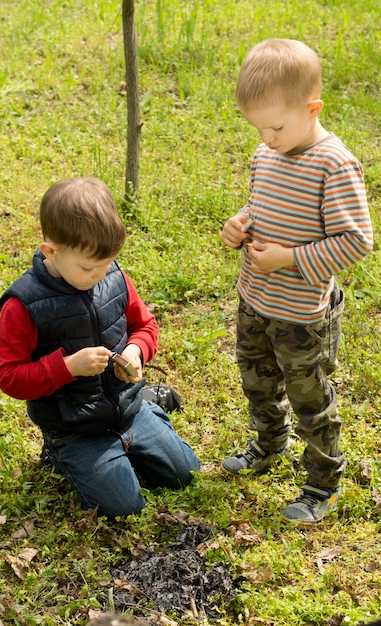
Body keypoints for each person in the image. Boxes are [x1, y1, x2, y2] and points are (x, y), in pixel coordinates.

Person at [220, 39, 373, 524]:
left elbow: (356, 241)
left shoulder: (334, 164)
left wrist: (290, 258)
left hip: (302, 313)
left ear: (313, 109)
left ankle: (321, 481)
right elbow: (262, 208)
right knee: (258, 381)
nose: (266, 137)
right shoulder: (267, 154)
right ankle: (269, 443)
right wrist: (239, 224)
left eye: (276, 126)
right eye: (257, 127)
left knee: (310, 396)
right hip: (255, 299)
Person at [0, 177, 200, 520]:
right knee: (126, 508)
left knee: (186, 475)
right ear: (51, 251)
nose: (100, 274)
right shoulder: (24, 305)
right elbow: (10, 377)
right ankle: (57, 453)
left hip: (128, 408)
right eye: (89, 267)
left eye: (107, 263)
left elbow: (145, 326)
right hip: (74, 428)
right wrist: (67, 367)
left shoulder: (113, 276)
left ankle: (149, 403)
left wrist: (136, 352)